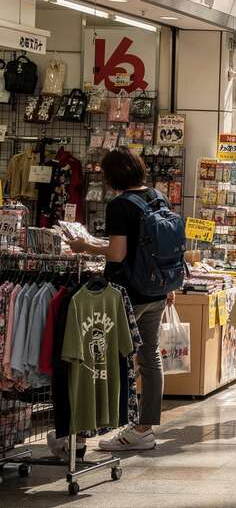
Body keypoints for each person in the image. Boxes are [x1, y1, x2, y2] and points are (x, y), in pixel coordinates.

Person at [66, 148, 172, 450]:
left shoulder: (119, 206)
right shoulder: (157, 196)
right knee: (150, 358)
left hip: (126, 293)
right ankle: (143, 429)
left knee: (106, 358)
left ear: (113, 176)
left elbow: (116, 254)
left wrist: (87, 246)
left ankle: (85, 432)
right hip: (157, 289)